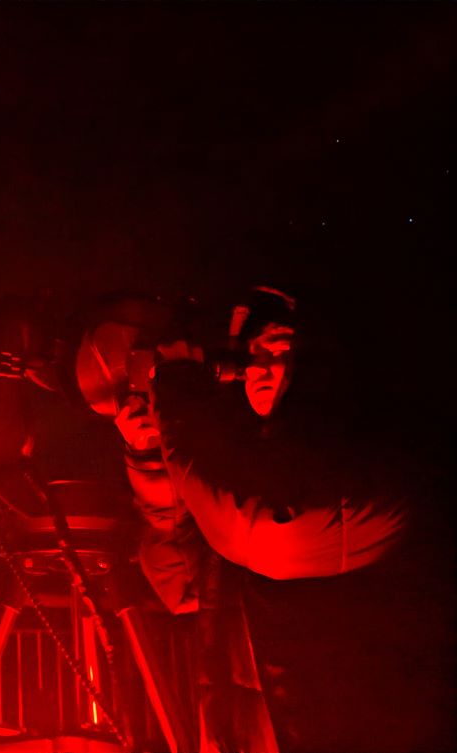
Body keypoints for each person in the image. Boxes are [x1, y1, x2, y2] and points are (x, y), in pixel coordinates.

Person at [115, 284, 452, 752]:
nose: (256, 368)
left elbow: (270, 534)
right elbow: (181, 588)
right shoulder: (240, 469)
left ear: (320, 364)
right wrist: (152, 458)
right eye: (249, 353)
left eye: (278, 350)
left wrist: (177, 397)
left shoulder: (370, 465)